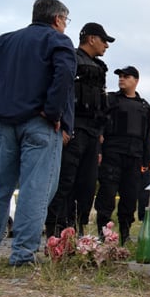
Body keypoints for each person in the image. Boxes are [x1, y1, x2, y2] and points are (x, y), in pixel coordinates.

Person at [0, 0, 77, 266]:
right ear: (57, 19)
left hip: (5, 123)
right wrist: (53, 112)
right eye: (65, 20)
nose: (65, 25)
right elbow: (65, 73)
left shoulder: (5, 40)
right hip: (40, 123)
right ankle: (22, 254)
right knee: (35, 188)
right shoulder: (58, 41)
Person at [46, 22, 114, 238]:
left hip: (92, 133)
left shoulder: (100, 67)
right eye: (104, 40)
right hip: (73, 129)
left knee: (87, 184)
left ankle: (78, 228)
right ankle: (56, 230)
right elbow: (60, 91)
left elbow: (101, 103)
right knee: (65, 181)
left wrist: (100, 133)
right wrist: (62, 124)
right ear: (91, 39)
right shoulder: (71, 58)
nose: (106, 45)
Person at [94, 66, 150, 245]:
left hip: (134, 157)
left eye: (126, 76)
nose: (121, 79)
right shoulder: (110, 100)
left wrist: (146, 160)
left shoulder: (145, 107)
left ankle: (125, 235)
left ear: (136, 80)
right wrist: (98, 150)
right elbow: (99, 126)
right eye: (120, 76)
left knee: (129, 197)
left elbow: (146, 135)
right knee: (107, 195)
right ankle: (103, 234)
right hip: (112, 154)